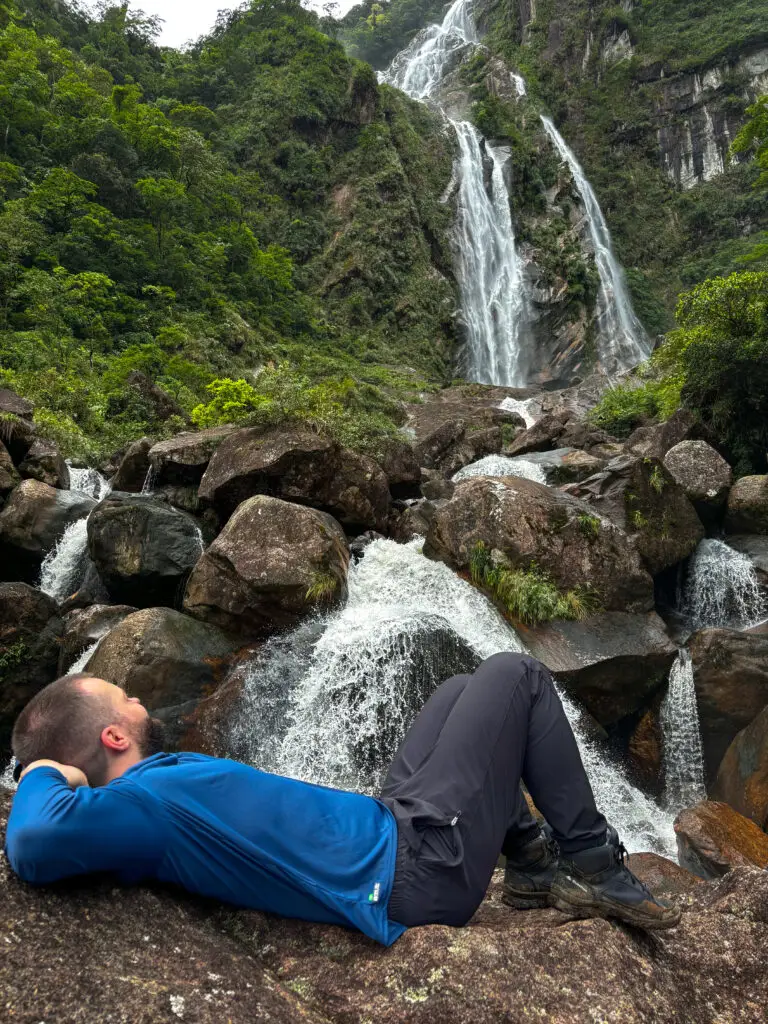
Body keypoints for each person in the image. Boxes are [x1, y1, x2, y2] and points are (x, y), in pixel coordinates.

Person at [5, 652, 680, 944]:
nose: (142, 698)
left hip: (392, 827)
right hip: (417, 872)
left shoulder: (146, 795)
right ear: (116, 734)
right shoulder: (137, 810)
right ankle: (594, 866)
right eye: (127, 698)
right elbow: (33, 842)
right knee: (519, 675)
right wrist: (47, 771)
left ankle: (529, 861)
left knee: (455, 691)